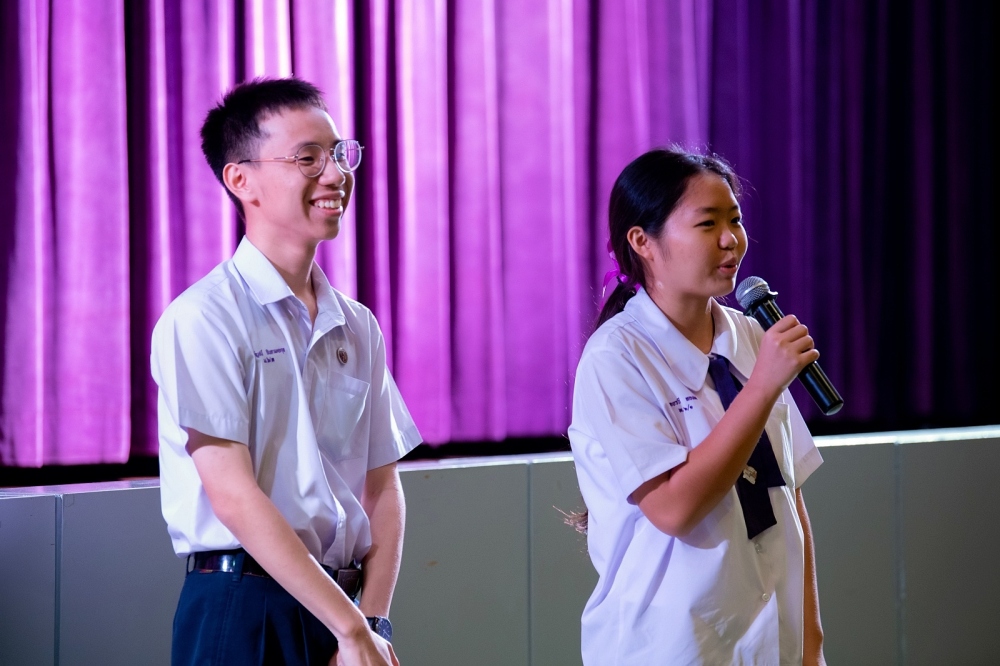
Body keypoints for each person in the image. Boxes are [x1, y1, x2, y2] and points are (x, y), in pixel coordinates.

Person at [151, 77, 421, 666]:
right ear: (240, 180)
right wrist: (350, 627)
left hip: (340, 609)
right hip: (241, 603)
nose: (335, 174)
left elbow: (382, 487)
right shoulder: (205, 317)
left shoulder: (357, 324)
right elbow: (232, 493)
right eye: (307, 158)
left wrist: (371, 623)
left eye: (338, 153)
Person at [568, 148, 826, 664]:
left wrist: (810, 639)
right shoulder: (616, 356)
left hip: (771, 641)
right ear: (642, 241)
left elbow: (789, 495)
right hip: (670, 645)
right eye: (708, 224)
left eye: (735, 220)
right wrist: (761, 388)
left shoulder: (751, 335)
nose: (731, 239)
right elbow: (674, 509)